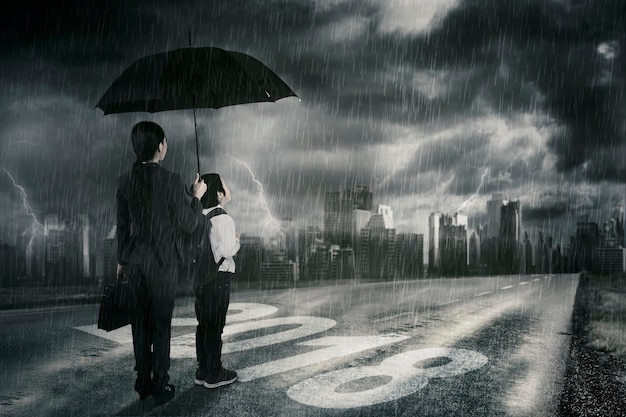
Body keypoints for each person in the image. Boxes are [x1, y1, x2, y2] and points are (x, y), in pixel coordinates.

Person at [116, 121, 207, 404]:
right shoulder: (170, 180)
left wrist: (123, 258)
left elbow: (122, 227)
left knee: (140, 324)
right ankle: (160, 382)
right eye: (165, 142)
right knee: (160, 325)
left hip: (134, 263)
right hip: (163, 264)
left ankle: (142, 380)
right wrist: (196, 197)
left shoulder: (124, 181)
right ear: (160, 146)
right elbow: (190, 224)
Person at [193, 173, 240, 389]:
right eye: (225, 186)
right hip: (219, 277)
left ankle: (202, 369)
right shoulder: (224, 219)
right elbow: (229, 250)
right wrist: (237, 239)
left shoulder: (196, 215)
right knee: (215, 326)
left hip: (200, 278)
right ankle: (214, 373)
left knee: (203, 324)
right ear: (220, 193)